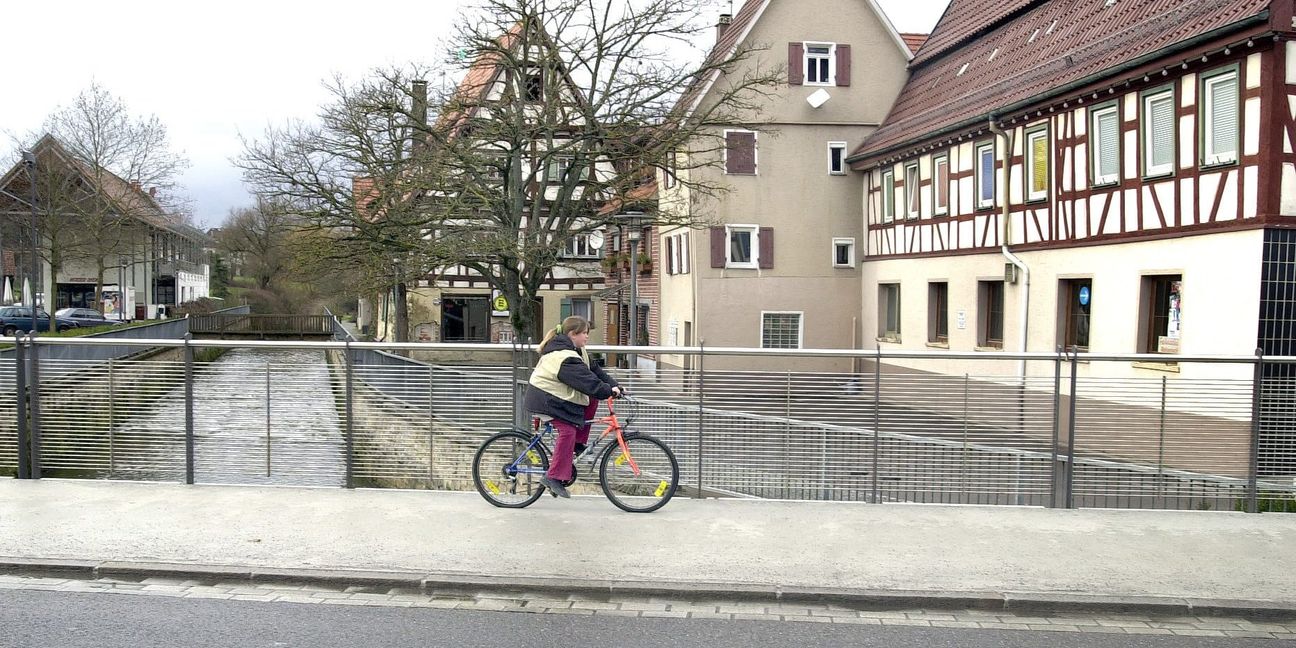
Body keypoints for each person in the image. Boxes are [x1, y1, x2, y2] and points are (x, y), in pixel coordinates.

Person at [524, 315, 621, 498]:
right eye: (584, 333)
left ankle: (577, 443)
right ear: (572, 334)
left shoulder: (578, 350)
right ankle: (553, 477)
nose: (587, 337)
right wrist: (607, 391)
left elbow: (595, 372)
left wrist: (615, 386)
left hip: (555, 396)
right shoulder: (564, 356)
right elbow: (589, 384)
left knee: (592, 400)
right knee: (567, 430)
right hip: (543, 399)